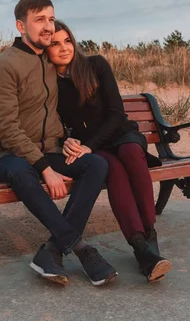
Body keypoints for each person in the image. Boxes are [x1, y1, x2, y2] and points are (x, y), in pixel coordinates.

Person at [0, 0, 117, 287]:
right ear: (21, 25)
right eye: (39, 20)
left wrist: (70, 140)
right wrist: (45, 168)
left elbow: (63, 109)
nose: (47, 26)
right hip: (10, 155)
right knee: (22, 172)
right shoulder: (4, 66)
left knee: (95, 164)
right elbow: (6, 128)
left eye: (50, 18)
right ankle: (82, 248)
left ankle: (52, 251)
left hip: (50, 148)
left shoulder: (49, 61)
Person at [45, 19, 173, 283]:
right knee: (112, 169)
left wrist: (90, 144)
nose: (64, 48)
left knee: (128, 152)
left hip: (122, 135)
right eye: (55, 43)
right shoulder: (50, 85)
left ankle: (150, 236)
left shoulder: (96, 65)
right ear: (46, 49)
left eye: (67, 40)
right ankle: (142, 250)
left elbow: (116, 113)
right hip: (92, 147)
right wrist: (66, 141)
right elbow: (57, 126)